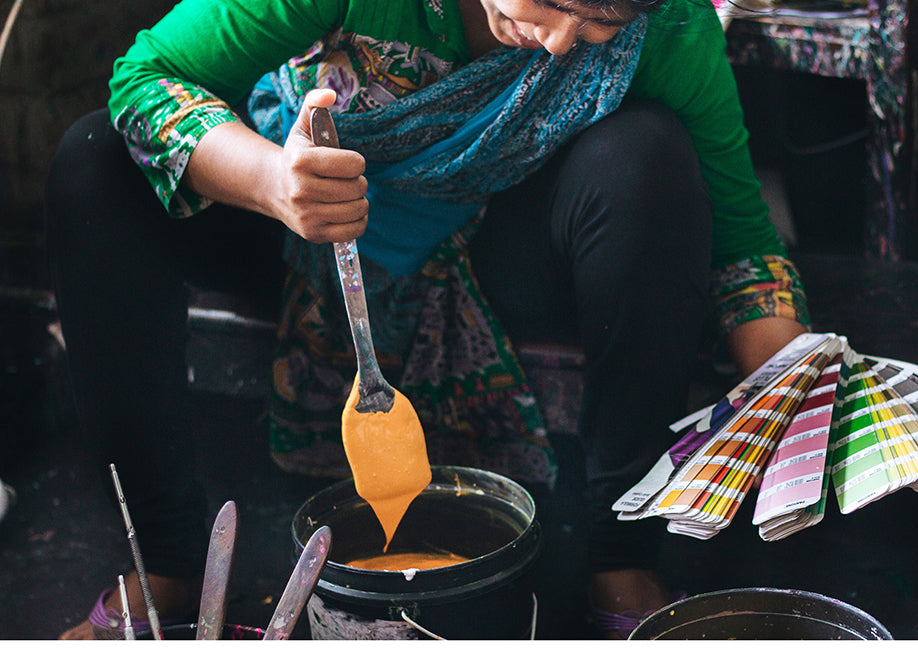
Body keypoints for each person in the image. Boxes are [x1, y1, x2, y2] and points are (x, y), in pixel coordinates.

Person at [46, 0, 810, 639]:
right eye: (550, 2)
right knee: (95, 164)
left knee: (650, 157)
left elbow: (742, 242)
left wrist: (798, 383)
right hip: (299, 209)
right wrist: (275, 183)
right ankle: (167, 566)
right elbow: (148, 80)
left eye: (597, 25)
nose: (557, 44)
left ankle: (620, 560)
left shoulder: (666, 22)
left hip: (494, 233)